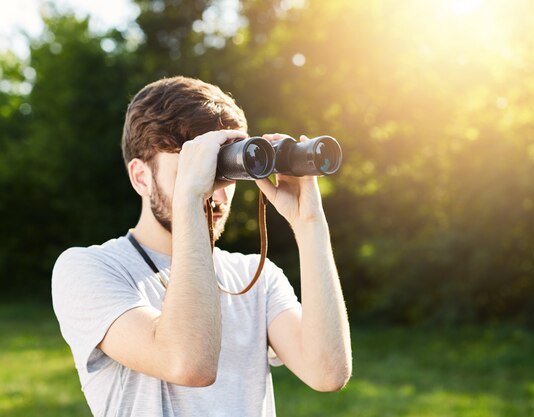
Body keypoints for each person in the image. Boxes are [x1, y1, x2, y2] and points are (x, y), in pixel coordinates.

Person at [51, 76, 352, 417]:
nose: (217, 193)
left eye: (225, 172)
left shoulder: (256, 276)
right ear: (140, 177)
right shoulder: (88, 269)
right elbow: (188, 363)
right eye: (194, 170)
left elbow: (327, 372)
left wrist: (309, 224)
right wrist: (191, 198)